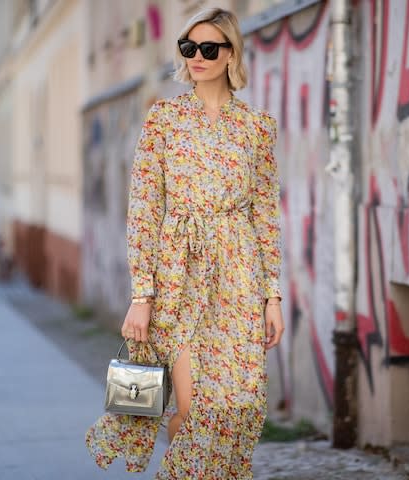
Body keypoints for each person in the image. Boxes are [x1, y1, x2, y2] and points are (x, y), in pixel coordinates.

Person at [86, 6, 285, 478]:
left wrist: (271, 295)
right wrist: (142, 296)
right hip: (178, 277)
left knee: (236, 406)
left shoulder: (257, 128)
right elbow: (144, 211)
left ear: (231, 53)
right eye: (188, 47)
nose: (196, 56)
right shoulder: (164, 120)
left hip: (238, 275)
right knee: (197, 411)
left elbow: (265, 216)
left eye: (208, 48)